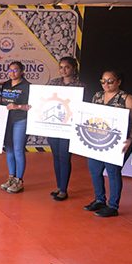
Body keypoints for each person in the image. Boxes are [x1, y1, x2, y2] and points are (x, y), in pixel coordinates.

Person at [83, 69, 132, 218]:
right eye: (103, 81)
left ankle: (113, 206)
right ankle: (99, 199)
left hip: (117, 142)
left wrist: (131, 139)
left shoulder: (127, 99)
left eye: (110, 81)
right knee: (95, 170)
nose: (106, 84)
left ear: (118, 82)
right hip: (97, 139)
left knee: (113, 172)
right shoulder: (97, 96)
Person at [48, 56, 83, 201]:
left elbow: (81, 107)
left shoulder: (80, 86)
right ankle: (58, 186)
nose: (63, 70)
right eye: (61, 67)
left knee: (64, 157)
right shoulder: (53, 83)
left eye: (66, 67)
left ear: (73, 68)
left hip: (68, 127)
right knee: (56, 156)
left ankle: (64, 189)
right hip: (53, 125)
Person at [0, 61, 31, 193]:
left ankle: (19, 180)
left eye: (15, 70)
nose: (12, 73)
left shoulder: (28, 86)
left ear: (22, 71)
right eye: (10, 70)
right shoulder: (5, 84)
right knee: (9, 149)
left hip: (20, 120)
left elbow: (32, 106)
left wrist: (17, 106)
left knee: (18, 150)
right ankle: (11, 177)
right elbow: (0, 101)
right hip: (7, 120)